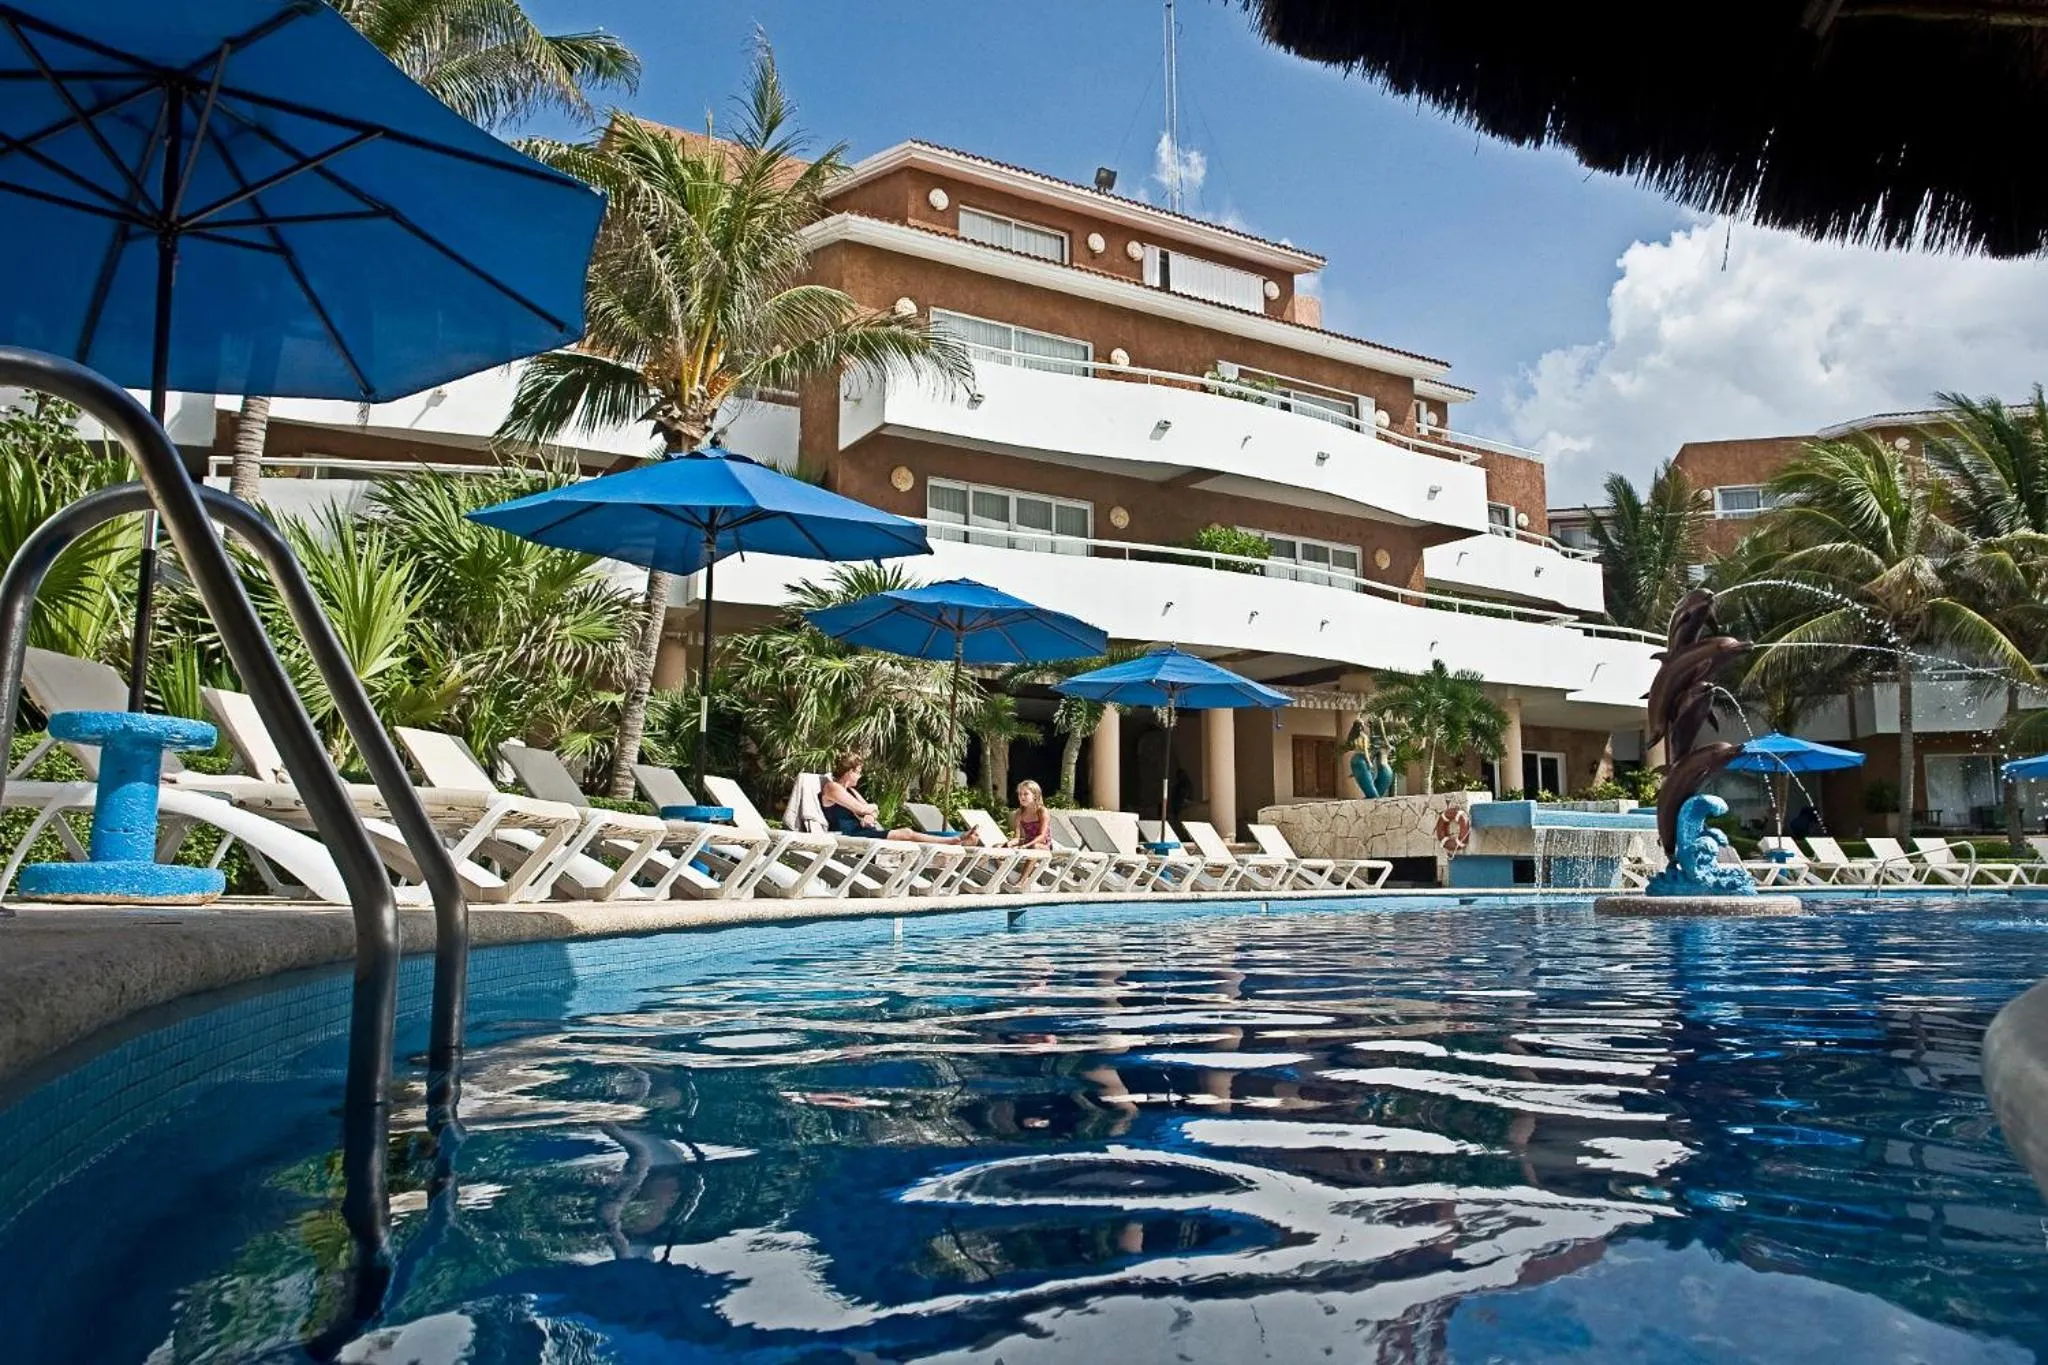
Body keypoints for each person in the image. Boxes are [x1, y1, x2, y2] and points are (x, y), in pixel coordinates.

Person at [820, 753, 980, 845]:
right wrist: (868, 810)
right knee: (907, 833)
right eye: (859, 772)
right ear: (850, 772)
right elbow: (862, 808)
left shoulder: (852, 792)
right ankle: (954, 840)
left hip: (864, 832)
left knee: (908, 833)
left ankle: (957, 837)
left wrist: (870, 814)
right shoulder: (832, 787)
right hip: (850, 836)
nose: (860, 776)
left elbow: (873, 810)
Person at [1012, 779, 1053, 849]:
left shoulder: (1041, 811)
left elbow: (1042, 836)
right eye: (1020, 794)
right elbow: (1017, 837)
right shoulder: (1019, 813)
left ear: (1035, 796)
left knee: (1034, 847)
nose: (1022, 797)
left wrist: (1025, 846)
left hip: (1043, 845)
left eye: (1026, 794)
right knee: (998, 846)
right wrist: (1007, 844)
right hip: (1027, 842)